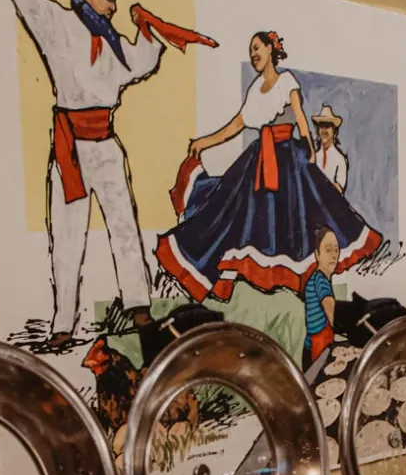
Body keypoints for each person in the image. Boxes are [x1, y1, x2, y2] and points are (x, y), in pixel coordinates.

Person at [11, 0, 214, 352]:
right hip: (70, 148)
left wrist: (146, 29)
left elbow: (139, 63)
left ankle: (138, 306)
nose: (112, 5)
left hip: (105, 145)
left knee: (124, 226)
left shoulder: (111, 41)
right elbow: (26, 0)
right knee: (67, 234)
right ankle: (63, 323)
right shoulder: (58, 23)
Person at [157, 31, 381, 307]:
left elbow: (299, 115)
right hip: (260, 158)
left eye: (257, 48)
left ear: (270, 50)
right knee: (235, 211)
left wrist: (308, 148)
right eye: (250, 51)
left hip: (288, 158)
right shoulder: (255, 89)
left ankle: (302, 287)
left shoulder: (287, 81)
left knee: (297, 219)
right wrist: (205, 142)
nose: (253, 54)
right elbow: (236, 124)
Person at [302, 227, 338, 367]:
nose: (334, 255)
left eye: (336, 250)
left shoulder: (317, 277)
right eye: (328, 250)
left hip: (316, 348)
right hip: (317, 352)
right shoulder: (320, 280)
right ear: (317, 254)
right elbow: (333, 316)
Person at [310, 105, 348, 191]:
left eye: (327, 126)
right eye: (321, 126)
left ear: (334, 131)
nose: (324, 130)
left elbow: (339, 190)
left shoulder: (340, 159)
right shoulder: (314, 157)